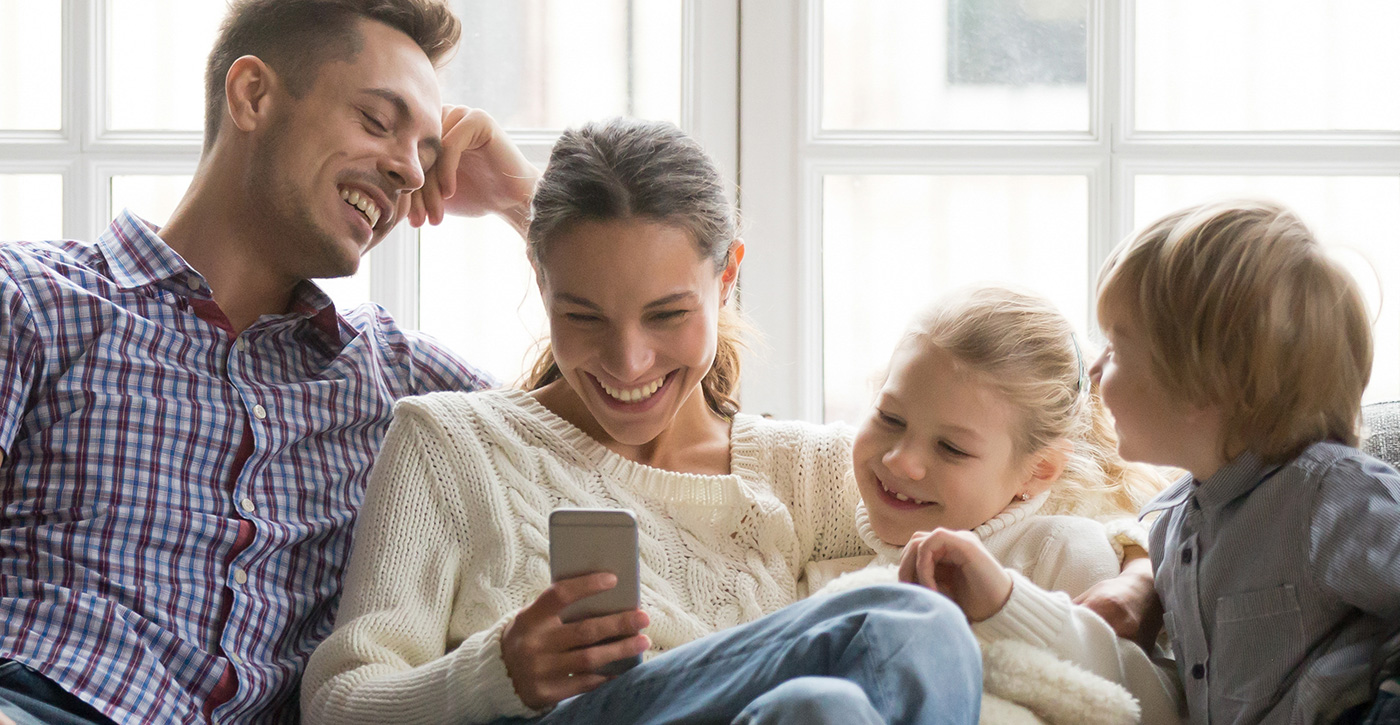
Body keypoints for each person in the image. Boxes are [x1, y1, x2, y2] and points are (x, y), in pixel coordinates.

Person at [301, 117, 983, 725]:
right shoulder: (450, 444)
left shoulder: (809, 473)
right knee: (914, 624)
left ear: (726, 278)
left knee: (819, 706)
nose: (628, 363)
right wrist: (495, 673)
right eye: (583, 316)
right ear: (540, 283)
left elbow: (1016, 504)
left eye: (667, 314)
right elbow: (337, 702)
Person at [0, 1, 541, 722]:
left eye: (428, 155)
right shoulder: (33, 300)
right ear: (252, 95)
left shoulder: (392, 378)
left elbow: (622, 418)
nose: (410, 171)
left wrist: (526, 205)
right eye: (378, 122)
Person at [899, 200, 1400, 724]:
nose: (1094, 369)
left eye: (1116, 347)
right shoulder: (1172, 526)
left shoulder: (1328, 494)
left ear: (1204, 384)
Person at [804, 286, 1183, 722]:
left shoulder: (1060, 548)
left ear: (1037, 472)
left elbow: (1139, 704)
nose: (900, 460)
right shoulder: (837, 571)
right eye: (890, 418)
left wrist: (1007, 606)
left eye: (951, 448)